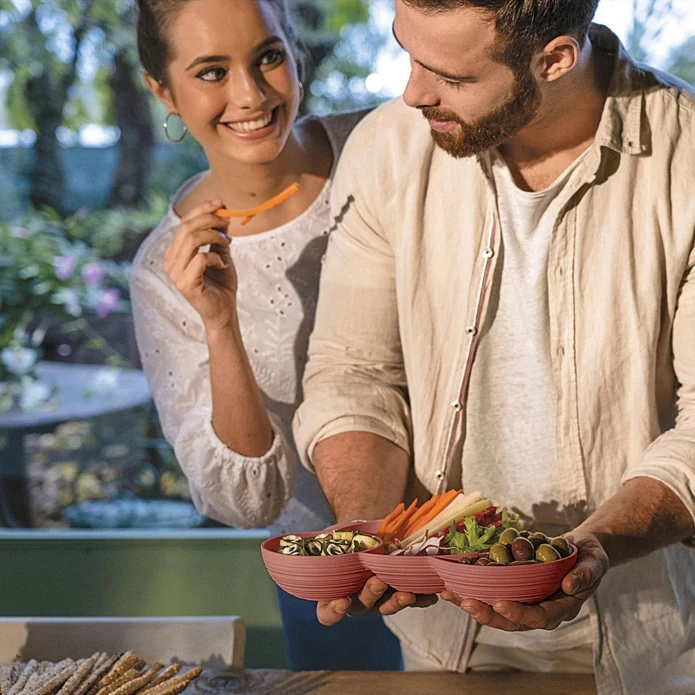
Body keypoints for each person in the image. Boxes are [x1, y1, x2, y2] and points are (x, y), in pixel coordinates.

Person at [293, 0, 695, 691]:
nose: (411, 92)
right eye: (405, 53)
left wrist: (588, 549)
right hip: (441, 642)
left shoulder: (687, 157)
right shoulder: (386, 146)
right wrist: (368, 528)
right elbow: (354, 372)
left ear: (555, 59)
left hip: (657, 643)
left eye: (447, 75)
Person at [128, 0, 401, 671]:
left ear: (295, 54)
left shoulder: (386, 146)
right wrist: (220, 323)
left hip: (478, 544)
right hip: (339, 586)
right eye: (210, 72)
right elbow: (250, 501)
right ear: (162, 89)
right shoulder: (163, 274)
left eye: (267, 58)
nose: (249, 95)